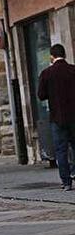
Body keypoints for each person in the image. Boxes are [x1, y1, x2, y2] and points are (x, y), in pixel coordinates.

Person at [38, 44, 75, 191]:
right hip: (74, 116)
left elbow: (41, 95)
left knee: (61, 150)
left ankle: (66, 181)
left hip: (57, 117)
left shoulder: (47, 73)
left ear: (51, 57)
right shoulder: (73, 70)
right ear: (64, 55)